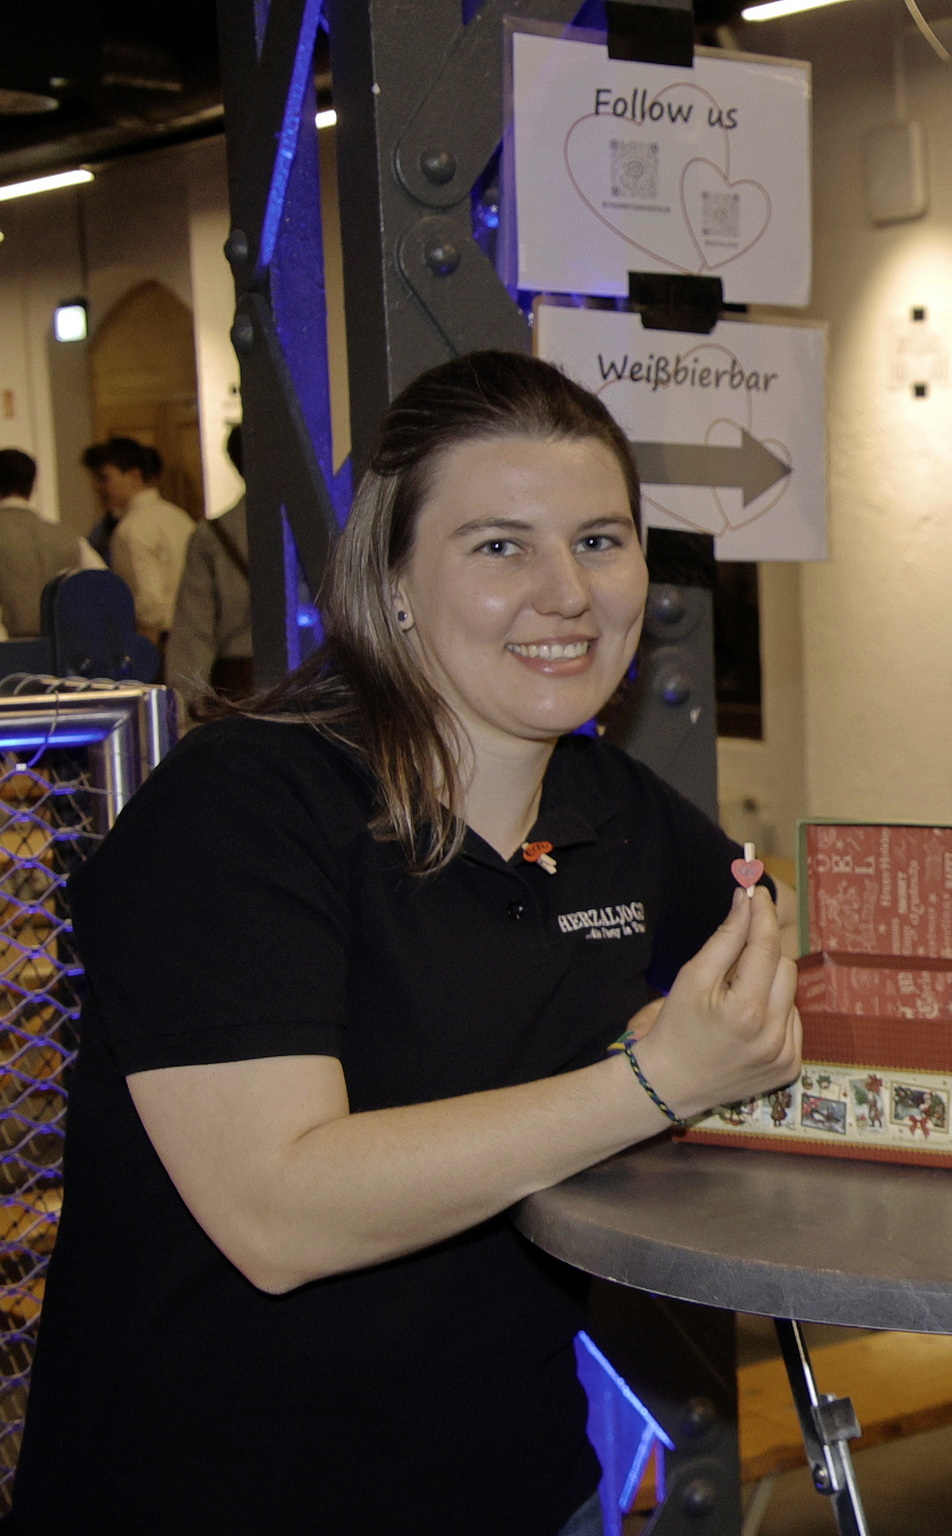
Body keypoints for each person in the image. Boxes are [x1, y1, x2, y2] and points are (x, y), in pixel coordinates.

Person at [9, 352, 804, 1536]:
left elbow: (764, 928)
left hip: (525, 1488)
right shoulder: (243, 809)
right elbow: (278, 1213)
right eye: (499, 547)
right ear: (390, 584)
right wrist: (655, 1077)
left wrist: (728, 1002)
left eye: (599, 540)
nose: (567, 593)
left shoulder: (611, 808)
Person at [168, 424, 254, 705]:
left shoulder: (215, 534)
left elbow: (194, 632)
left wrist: (189, 704)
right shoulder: (319, 527)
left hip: (238, 687)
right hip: (312, 679)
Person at [81, 435, 193, 646]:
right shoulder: (178, 516)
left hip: (160, 641)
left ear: (134, 476)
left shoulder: (131, 529)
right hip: (190, 635)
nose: (96, 487)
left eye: (104, 478)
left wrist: (144, 654)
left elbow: (149, 605)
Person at [0, 450, 102, 639]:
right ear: (32, 485)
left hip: (8, 649)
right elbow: (102, 586)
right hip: (61, 646)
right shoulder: (68, 537)